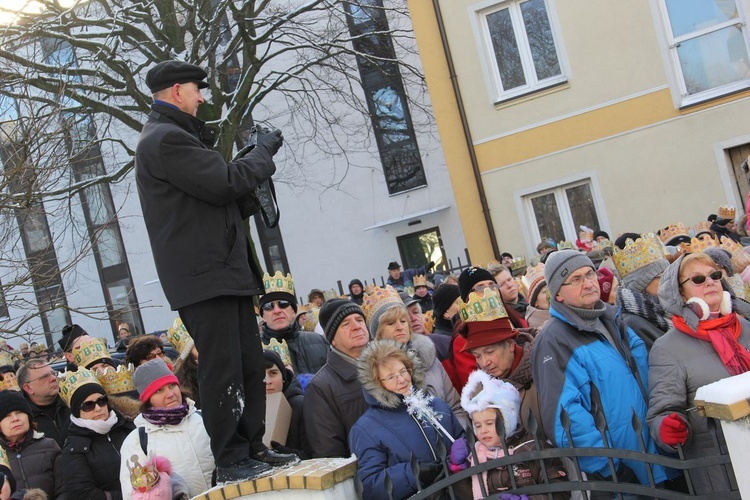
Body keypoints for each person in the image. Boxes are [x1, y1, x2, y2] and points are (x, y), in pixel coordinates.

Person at [135, 60, 294, 481]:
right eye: (196, 89)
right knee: (224, 368)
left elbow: (216, 196)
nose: (202, 97)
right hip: (206, 276)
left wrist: (246, 171)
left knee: (246, 364)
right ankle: (231, 456)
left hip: (219, 271)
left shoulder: (174, 137)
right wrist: (261, 153)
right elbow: (224, 183)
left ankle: (251, 447)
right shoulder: (166, 139)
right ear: (175, 92)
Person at [531, 250, 669, 493]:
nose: (587, 284)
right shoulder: (554, 340)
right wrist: (613, 469)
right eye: (575, 279)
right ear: (558, 294)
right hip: (626, 477)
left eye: (589, 274)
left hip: (661, 453)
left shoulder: (613, 319)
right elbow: (565, 420)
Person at [647, 252, 750, 494]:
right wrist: (668, 427)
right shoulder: (667, 348)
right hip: (722, 471)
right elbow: (662, 412)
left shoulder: (745, 327)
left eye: (714, 275)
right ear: (680, 294)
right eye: (697, 279)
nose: (710, 282)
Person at [348, 340, 465, 500]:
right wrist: (414, 474)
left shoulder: (437, 405)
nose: (402, 380)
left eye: (403, 371)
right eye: (390, 377)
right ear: (376, 384)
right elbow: (369, 485)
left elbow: (463, 440)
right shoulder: (366, 428)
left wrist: (464, 450)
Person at [451, 370, 569, 499]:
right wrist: (460, 471)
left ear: (508, 421)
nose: (483, 430)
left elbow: (559, 489)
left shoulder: (532, 448)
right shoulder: (476, 456)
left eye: (489, 423)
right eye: (478, 425)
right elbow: (467, 496)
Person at [363, 286, 469, 429]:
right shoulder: (374, 373)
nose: (400, 327)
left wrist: (461, 439)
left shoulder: (429, 357)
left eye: (403, 321)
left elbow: (455, 406)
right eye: (391, 323)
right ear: (378, 333)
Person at [118, 358, 216, 498]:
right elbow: (132, 494)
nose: (170, 394)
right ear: (148, 399)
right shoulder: (137, 441)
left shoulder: (205, 419)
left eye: (172, 386)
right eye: (159, 390)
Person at [303, 298, 370, 458]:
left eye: (359, 320)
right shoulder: (320, 387)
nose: (356, 326)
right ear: (332, 338)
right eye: (345, 324)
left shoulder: (390, 364)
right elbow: (329, 453)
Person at [58, 368, 135, 499]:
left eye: (102, 401)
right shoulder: (74, 448)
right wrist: (132, 497)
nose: (98, 408)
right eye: (88, 405)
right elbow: (82, 493)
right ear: (78, 411)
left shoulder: (128, 427)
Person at [0, 390, 65, 499]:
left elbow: (66, 489)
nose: (15, 419)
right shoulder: (1, 458)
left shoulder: (49, 446)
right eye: (7, 416)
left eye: (19, 412)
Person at [259, 272, 328, 375]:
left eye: (283, 303)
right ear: (263, 316)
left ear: (294, 311)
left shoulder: (320, 341)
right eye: (269, 306)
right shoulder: (256, 351)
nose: (277, 310)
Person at [613, 234, 672, 350]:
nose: (669, 281)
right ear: (641, 285)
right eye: (661, 276)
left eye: (669, 274)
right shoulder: (633, 323)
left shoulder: (669, 308)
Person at [263, 350, 309, 459]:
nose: (268, 381)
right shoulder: (246, 408)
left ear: (283, 376)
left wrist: (288, 454)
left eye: (273, 373)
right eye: (261, 374)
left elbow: (313, 454)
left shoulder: (299, 404)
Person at [17, 360, 70, 447]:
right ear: (28, 388)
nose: (53, 378)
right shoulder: (23, 419)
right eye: (45, 377)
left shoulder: (71, 402)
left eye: (53, 373)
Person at [522, 263, 550, 329]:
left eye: (551, 288)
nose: (550, 294)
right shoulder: (537, 327)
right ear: (535, 302)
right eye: (545, 292)